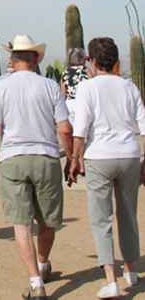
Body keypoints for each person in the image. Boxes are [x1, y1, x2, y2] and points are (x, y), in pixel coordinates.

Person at [0, 34, 73, 300]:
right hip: (46, 156)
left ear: (12, 58)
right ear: (36, 59)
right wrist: (72, 157)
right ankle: (42, 264)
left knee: (21, 224)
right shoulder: (50, 86)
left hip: (14, 158)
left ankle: (35, 282)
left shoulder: (0, 85)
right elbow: (64, 128)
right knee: (48, 221)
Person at [69, 37, 145, 299]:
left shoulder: (87, 88)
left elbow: (80, 131)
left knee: (102, 220)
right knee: (128, 216)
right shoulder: (129, 86)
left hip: (99, 156)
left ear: (91, 61)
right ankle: (131, 270)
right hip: (129, 155)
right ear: (115, 61)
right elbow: (143, 124)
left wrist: (74, 159)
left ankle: (111, 279)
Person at [61, 48, 90, 126]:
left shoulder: (65, 72)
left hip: (69, 104)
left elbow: (63, 92)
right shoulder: (87, 71)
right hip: (83, 102)